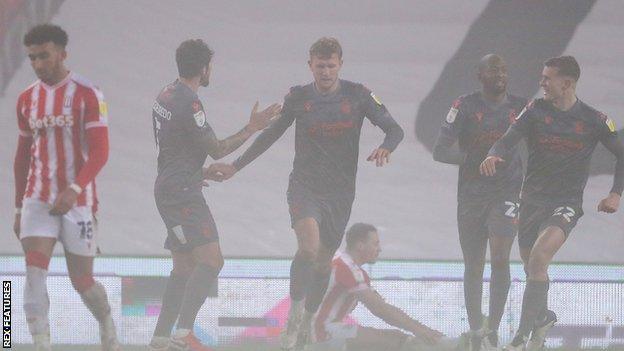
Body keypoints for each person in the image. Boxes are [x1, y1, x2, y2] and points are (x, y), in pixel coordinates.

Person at [214, 37, 404, 350]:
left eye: (331, 65)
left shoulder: (359, 95)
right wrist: (236, 165)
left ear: (340, 64)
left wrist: (386, 146)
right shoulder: (299, 97)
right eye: (320, 66)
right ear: (310, 66)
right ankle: (294, 316)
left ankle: (307, 323)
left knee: (322, 264)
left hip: (340, 194)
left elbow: (395, 129)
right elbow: (271, 136)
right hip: (305, 187)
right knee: (309, 248)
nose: (326, 72)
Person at [480, 55, 623, 351]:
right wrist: (494, 153)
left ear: (566, 83)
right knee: (533, 269)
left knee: (539, 258)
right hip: (531, 201)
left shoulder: (594, 120)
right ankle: (543, 318)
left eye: (547, 78)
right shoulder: (534, 110)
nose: (541, 83)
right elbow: (508, 138)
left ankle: (521, 337)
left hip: (566, 203)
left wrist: (616, 193)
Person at [147, 39, 281, 351]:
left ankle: (160, 338)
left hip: (170, 186)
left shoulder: (164, 94)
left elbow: (171, 146)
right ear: (204, 68)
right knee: (212, 261)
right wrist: (252, 128)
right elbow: (217, 148)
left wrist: (196, 172)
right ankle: (183, 333)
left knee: (183, 267)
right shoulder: (190, 102)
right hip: (181, 195)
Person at [13, 24, 119, 351]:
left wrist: (74, 188)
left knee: (82, 283)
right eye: (32, 58)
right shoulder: (27, 99)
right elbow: (21, 158)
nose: (38, 64)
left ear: (62, 53)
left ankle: (105, 323)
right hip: (37, 201)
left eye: (44, 56)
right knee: (33, 277)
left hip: (79, 202)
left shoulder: (88, 93)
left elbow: (101, 151)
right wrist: (19, 207)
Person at [433, 54, 526, 350]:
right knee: (473, 263)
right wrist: (475, 161)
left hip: (507, 193)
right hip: (472, 196)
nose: (500, 73)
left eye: (504, 69)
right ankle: (475, 330)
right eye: (493, 69)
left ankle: (493, 329)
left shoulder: (522, 108)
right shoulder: (465, 106)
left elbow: (539, 146)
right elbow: (440, 151)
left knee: (500, 257)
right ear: (480, 74)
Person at [308, 223, 456, 351]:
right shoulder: (349, 269)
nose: (380, 249)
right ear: (360, 245)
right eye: (376, 244)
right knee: (395, 340)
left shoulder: (343, 262)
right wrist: (421, 330)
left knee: (389, 338)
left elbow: (380, 305)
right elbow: (380, 310)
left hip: (321, 328)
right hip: (322, 331)